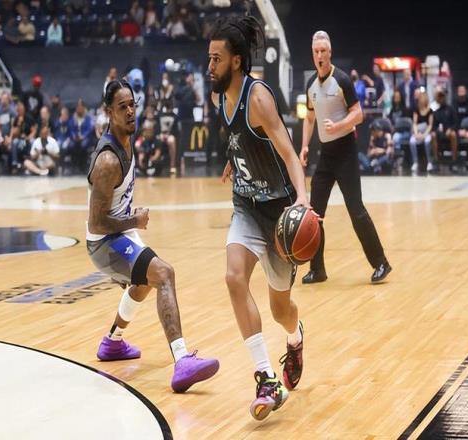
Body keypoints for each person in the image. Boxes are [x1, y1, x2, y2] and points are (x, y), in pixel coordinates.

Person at [86, 79, 219, 393]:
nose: (130, 112)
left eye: (132, 105)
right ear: (109, 112)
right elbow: (97, 223)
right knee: (164, 274)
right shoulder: (107, 161)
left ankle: (113, 342)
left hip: (121, 233)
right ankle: (182, 361)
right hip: (104, 242)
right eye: (122, 107)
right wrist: (135, 219)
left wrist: (130, 221)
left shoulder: (126, 139)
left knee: (145, 281)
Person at [208, 16, 309, 421]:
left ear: (236, 61)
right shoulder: (219, 98)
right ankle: (266, 378)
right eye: (209, 58)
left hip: (279, 213)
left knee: (281, 309)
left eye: (216, 59)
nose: (209, 66)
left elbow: (289, 154)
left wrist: (303, 199)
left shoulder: (259, 98)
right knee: (234, 277)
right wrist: (235, 159)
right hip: (246, 206)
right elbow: (240, 140)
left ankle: (295, 338)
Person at [299, 31, 391, 284]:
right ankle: (317, 269)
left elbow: (358, 114)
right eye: (316, 52)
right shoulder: (311, 85)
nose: (319, 55)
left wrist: (338, 126)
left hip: (346, 153)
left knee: (356, 210)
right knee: (314, 214)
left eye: (323, 51)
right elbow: (309, 118)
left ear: (330, 53)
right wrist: (304, 146)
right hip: (326, 156)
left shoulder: (341, 80)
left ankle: (381, 263)